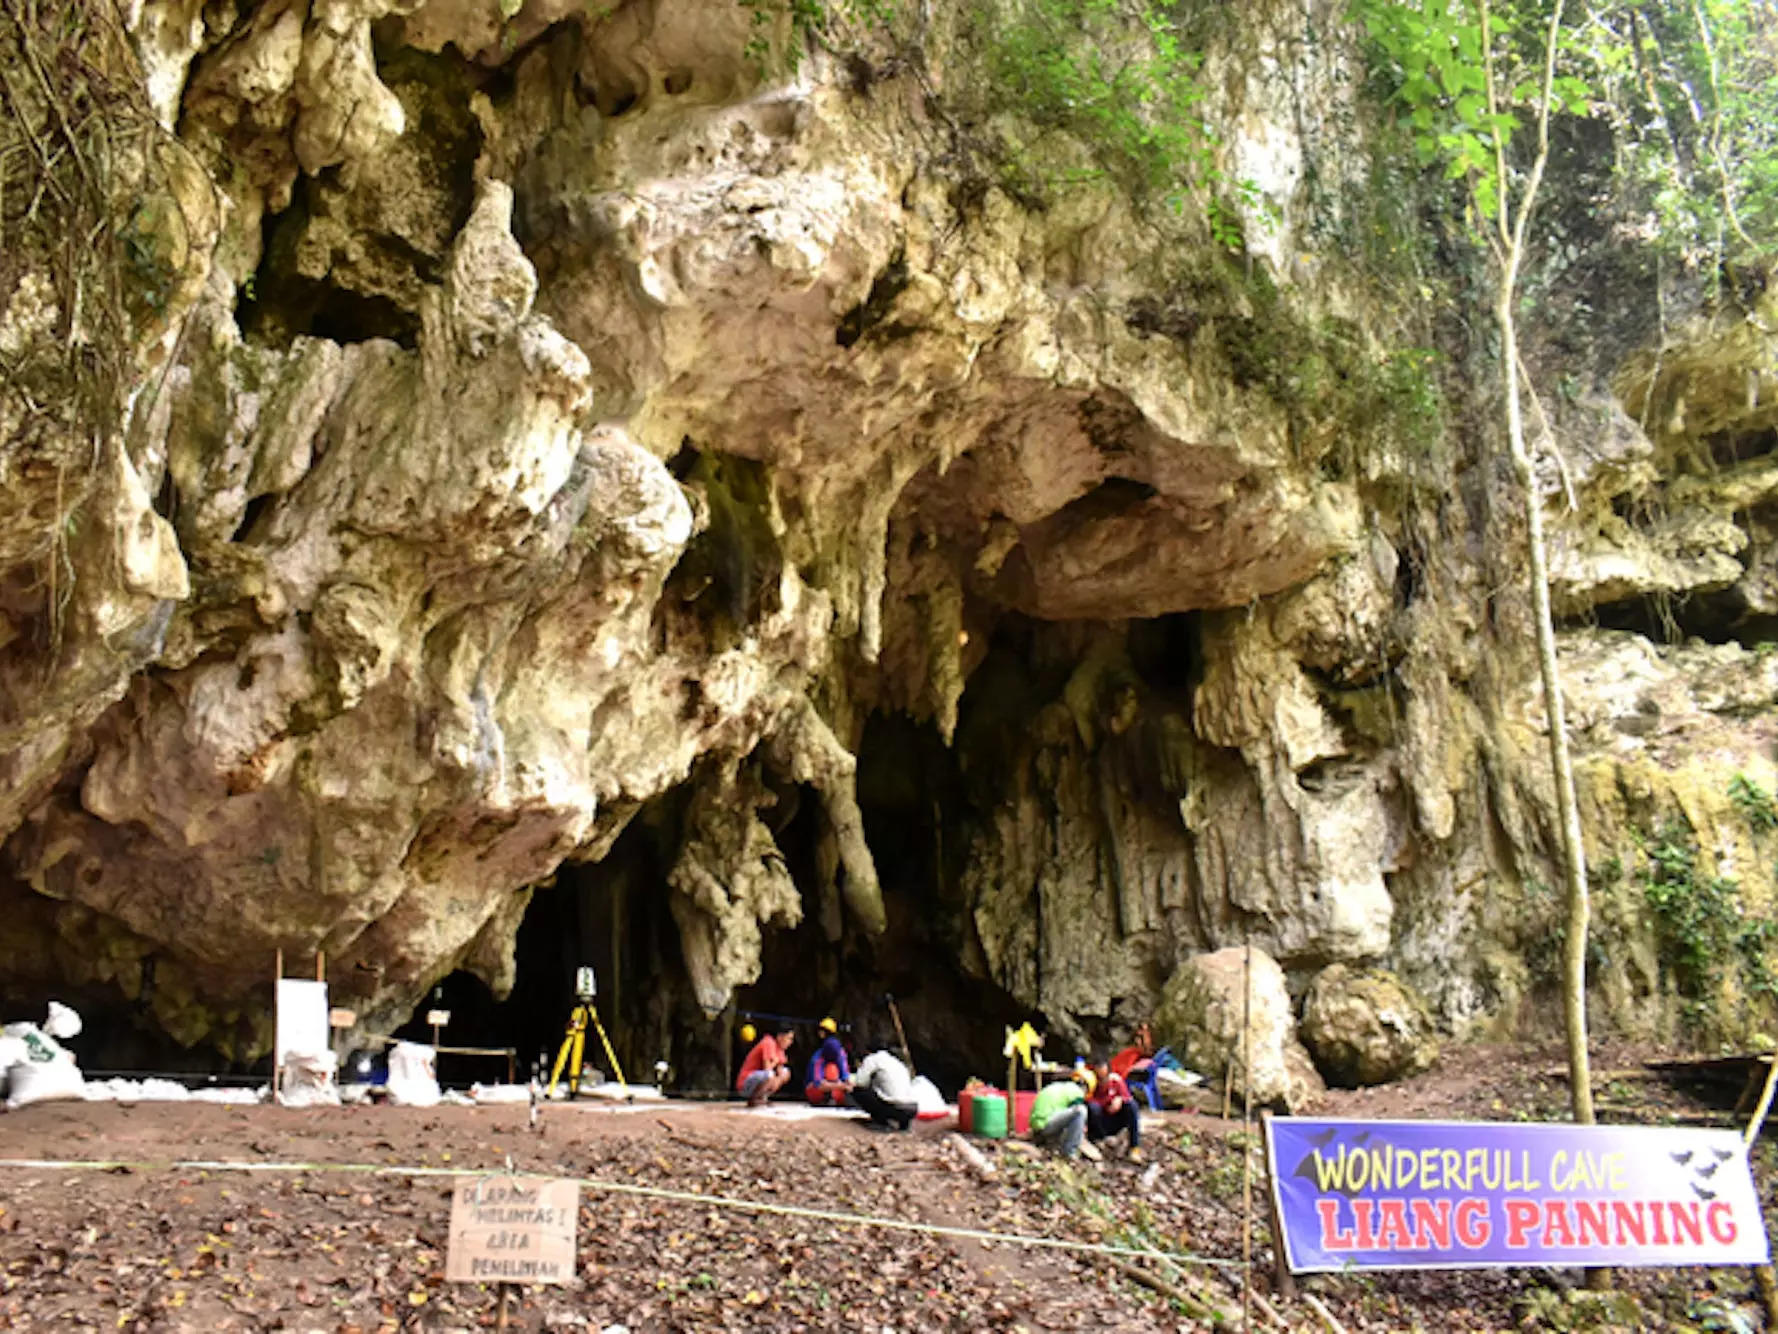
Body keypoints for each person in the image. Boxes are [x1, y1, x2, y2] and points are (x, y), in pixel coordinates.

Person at [1086, 1052, 1142, 1160]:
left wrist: (1120, 1098)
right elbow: (1090, 1102)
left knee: (1131, 1106)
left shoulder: (1116, 1081)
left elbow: (1128, 1098)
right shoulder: (1090, 1085)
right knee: (1093, 1108)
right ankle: (1100, 1140)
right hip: (1099, 1123)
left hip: (1116, 1120)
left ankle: (1134, 1147)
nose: (1103, 1081)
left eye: (1104, 1077)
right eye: (1099, 1078)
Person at [850, 1045, 917, 1131]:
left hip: (894, 1107)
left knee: (858, 1091)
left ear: (868, 1051)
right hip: (912, 1109)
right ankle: (904, 1125)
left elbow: (860, 1082)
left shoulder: (872, 1059)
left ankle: (881, 1122)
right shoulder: (897, 1062)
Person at [1030, 1070, 1089, 1158]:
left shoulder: (1060, 1087)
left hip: (1038, 1124)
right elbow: (1076, 1114)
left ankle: (1052, 1144)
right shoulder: (1077, 1091)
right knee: (1081, 1110)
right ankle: (1069, 1152)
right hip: (1046, 1123)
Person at [735, 1025, 795, 1107]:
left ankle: (762, 1097)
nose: (790, 1042)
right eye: (789, 1038)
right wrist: (775, 1061)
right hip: (745, 1084)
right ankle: (754, 1099)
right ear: (780, 1036)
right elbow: (767, 1069)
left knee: (785, 1072)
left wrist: (779, 1077)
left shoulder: (780, 1050)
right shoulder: (768, 1042)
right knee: (769, 1075)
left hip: (758, 1081)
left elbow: (780, 1071)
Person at [805, 1016, 851, 1106]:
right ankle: (828, 1098)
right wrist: (841, 1085)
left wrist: (845, 1085)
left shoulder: (840, 1054)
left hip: (835, 1088)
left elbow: (846, 1077)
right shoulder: (818, 1058)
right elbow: (818, 1084)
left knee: (832, 1069)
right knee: (831, 1069)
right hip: (816, 1091)